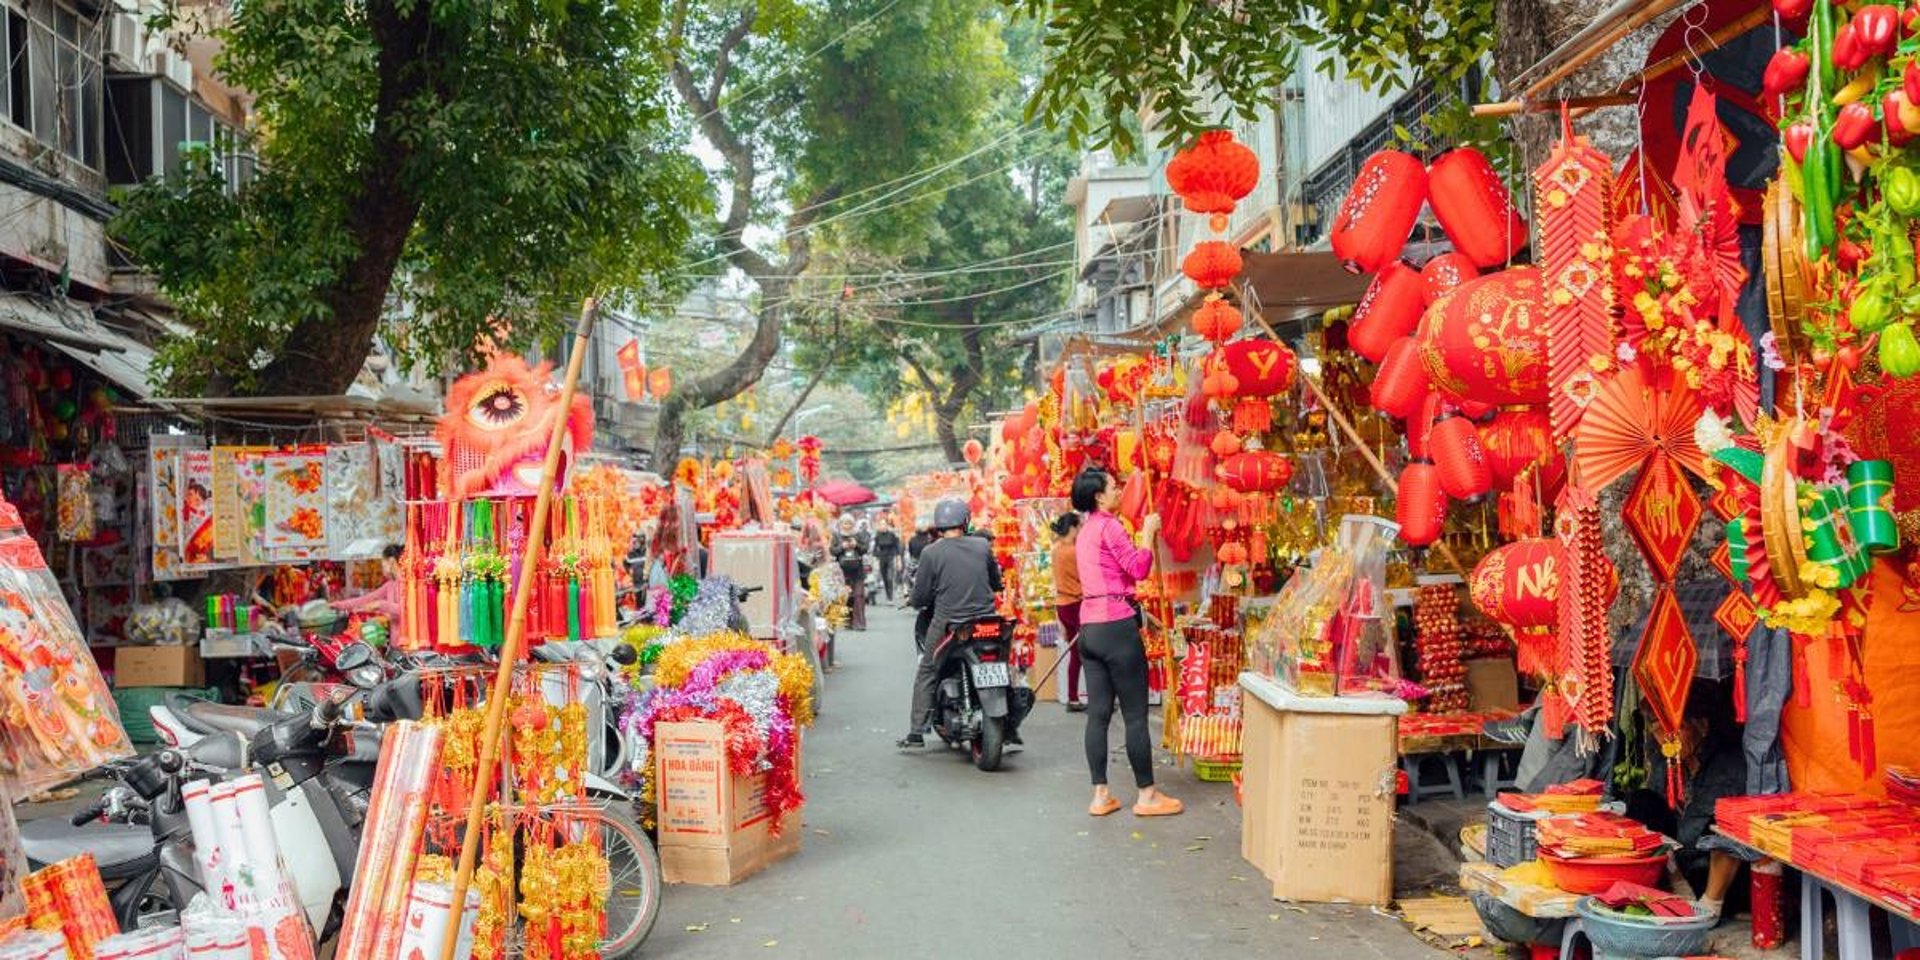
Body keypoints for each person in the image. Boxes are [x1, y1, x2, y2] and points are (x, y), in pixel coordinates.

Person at [1073, 468, 1180, 818]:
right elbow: (1138, 568)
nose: (1119, 491)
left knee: (1098, 715)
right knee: (1135, 715)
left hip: (1089, 627)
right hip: (1117, 625)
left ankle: (1100, 795)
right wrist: (1148, 535)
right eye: (1113, 487)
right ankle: (1147, 795)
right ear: (1099, 497)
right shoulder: (1109, 526)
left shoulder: (1085, 531)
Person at [1624, 680, 1752, 920]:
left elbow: (1715, 835)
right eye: (1658, 729)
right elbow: (1659, 820)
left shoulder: (1730, 763)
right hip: (1677, 867)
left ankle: (1710, 907)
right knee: (1642, 801)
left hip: (1712, 875)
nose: (1666, 739)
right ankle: (1651, 888)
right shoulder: (1667, 761)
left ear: (1702, 726)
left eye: (1676, 728)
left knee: (1725, 819)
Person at [898, 499, 1003, 749]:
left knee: (927, 669)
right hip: (987, 620)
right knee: (1003, 662)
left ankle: (916, 731)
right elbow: (995, 581)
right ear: (965, 521)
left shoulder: (931, 552)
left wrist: (913, 600)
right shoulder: (981, 545)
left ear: (938, 526)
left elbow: (921, 594)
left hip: (950, 623)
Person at [1050, 511, 1086, 711]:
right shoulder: (1074, 551)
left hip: (1063, 604)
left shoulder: (1056, 550)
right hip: (1077, 604)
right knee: (1089, 652)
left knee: (1076, 653)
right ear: (1072, 528)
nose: (1080, 531)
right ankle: (1096, 698)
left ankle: (1073, 697)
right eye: (1079, 527)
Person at [336, 544, 406, 619]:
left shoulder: (407, 584)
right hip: (393, 630)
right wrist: (338, 605)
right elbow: (366, 599)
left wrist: (379, 604)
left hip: (408, 630)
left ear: (391, 561)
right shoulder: (390, 585)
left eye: (383, 562)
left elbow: (405, 610)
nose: (382, 566)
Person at [832, 524, 868, 631]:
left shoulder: (858, 535)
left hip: (857, 571)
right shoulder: (836, 536)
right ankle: (847, 621)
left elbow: (865, 549)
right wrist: (842, 547)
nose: (847, 526)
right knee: (845, 597)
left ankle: (859, 623)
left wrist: (856, 545)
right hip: (842, 572)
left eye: (849, 523)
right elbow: (832, 551)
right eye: (845, 523)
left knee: (859, 596)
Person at [872, 517, 904, 603]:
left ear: (887, 525)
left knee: (890, 577)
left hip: (890, 557)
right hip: (882, 558)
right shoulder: (877, 535)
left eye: (884, 524)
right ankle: (887, 595)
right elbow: (875, 548)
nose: (882, 526)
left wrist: (899, 559)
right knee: (884, 578)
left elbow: (897, 547)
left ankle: (890, 598)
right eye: (881, 524)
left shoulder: (892, 535)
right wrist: (874, 559)